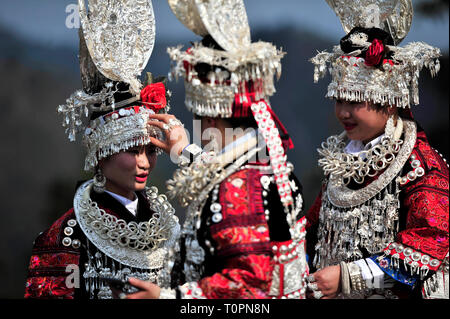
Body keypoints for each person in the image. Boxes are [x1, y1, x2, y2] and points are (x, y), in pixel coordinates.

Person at [125, 0, 309, 299]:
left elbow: (250, 283)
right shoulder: (268, 167)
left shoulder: (240, 186)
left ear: (209, 117)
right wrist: (183, 150)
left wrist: (167, 298)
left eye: (198, 119)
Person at [24, 0, 181, 299]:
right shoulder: (67, 236)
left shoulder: (168, 229)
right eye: (132, 151)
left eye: (150, 151)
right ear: (101, 154)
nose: (144, 163)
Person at [306, 0, 449, 299]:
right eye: (339, 100)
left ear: (390, 101)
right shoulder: (343, 160)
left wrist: (350, 277)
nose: (343, 112)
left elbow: (431, 239)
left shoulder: (419, 166)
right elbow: (312, 231)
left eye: (355, 101)